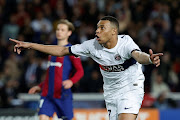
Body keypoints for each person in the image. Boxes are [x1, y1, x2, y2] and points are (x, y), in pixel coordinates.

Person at [10, 16, 163, 120]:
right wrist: (30, 45)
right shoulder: (91, 46)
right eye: (97, 28)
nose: (97, 31)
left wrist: (149, 59)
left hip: (131, 87)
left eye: (102, 28)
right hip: (111, 91)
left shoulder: (125, 42)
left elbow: (138, 55)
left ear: (114, 32)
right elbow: (62, 50)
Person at [27, 19, 84, 120]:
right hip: (47, 94)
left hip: (62, 94)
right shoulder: (51, 50)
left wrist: (71, 81)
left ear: (69, 33)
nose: (59, 32)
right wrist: (40, 86)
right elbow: (51, 75)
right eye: (58, 29)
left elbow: (80, 71)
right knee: (42, 117)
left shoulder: (72, 50)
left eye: (62, 30)